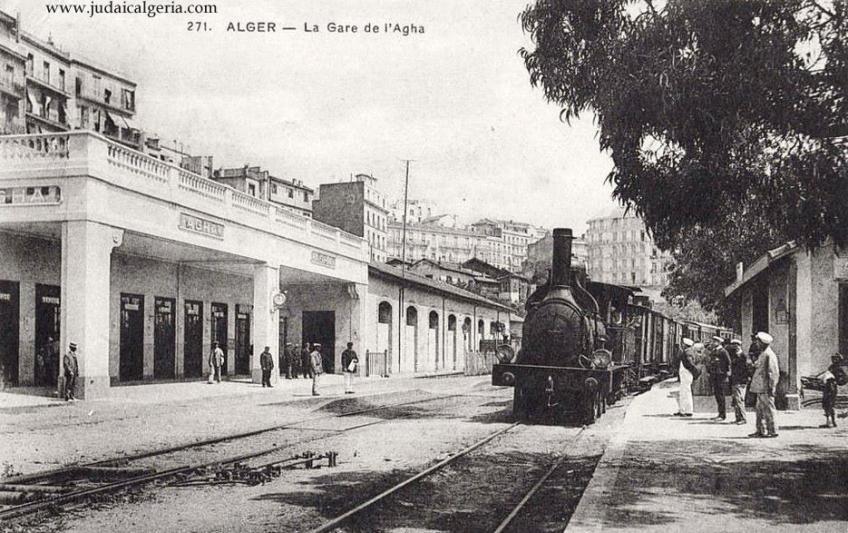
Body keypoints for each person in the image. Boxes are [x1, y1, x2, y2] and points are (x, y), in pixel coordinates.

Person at [748, 331, 780, 438]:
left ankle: (773, 430)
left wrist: (772, 386)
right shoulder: (763, 353)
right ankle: (761, 430)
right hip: (760, 388)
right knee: (760, 410)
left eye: (758, 341)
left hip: (766, 387)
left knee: (769, 409)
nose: (756, 343)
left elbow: (773, 372)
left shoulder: (769, 355)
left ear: (763, 343)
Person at [707, 336, 732, 421]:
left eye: (715, 342)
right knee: (717, 395)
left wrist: (726, 373)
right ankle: (719, 413)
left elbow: (728, 362)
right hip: (715, 375)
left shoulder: (723, 351)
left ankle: (722, 415)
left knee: (721, 395)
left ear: (719, 342)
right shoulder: (714, 351)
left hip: (721, 375)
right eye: (713, 341)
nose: (713, 343)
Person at [821, 353, 847, 428]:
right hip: (827, 387)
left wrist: (837, 381)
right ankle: (830, 422)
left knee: (830, 404)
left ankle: (831, 422)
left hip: (832, 388)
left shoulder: (839, 369)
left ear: (839, 360)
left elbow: (845, 379)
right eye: (833, 358)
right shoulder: (831, 367)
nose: (833, 360)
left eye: (836, 358)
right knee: (826, 404)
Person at [674, 338, 698, 417]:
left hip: (686, 375)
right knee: (685, 392)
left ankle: (684, 411)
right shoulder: (688, 351)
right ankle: (685, 410)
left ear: (685, 345)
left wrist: (695, 372)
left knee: (685, 393)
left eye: (683, 344)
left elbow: (690, 364)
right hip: (685, 375)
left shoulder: (687, 352)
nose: (682, 345)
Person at [727, 339, 749, 424]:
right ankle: (738, 418)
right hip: (734, 380)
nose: (734, 347)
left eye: (736, 345)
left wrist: (745, 380)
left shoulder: (743, 356)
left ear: (739, 346)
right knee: (735, 400)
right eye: (733, 345)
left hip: (741, 381)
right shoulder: (733, 355)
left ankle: (743, 418)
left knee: (739, 400)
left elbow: (746, 370)